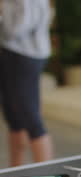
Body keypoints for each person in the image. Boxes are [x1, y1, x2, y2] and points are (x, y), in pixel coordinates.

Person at [0, 0, 53, 166]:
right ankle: (14, 173)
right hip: (14, 53)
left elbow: (15, 29)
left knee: (30, 119)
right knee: (14, 117)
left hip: (23, 56)